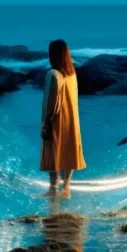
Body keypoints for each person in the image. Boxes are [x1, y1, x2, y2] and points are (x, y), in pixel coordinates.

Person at [40, 39, 86, 198]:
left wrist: (46, 121)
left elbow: (52, 101)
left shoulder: (53, 74)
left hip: (57, 119)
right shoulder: (71, 73)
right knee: (68, 151)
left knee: (53, 152)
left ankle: (53, 188)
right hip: (71, 120)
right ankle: (66, 188)